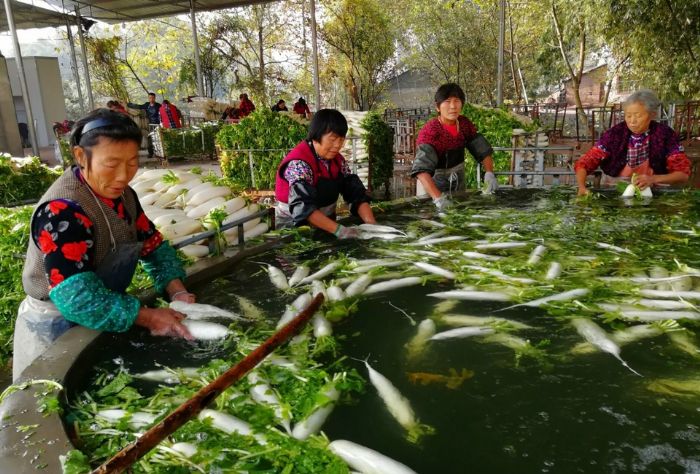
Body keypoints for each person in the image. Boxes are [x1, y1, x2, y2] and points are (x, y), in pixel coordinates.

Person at [12, 109, 195, 381]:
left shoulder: (124, 195)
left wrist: (177, 290)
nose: (124, 175)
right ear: (80, 156)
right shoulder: (63, 210)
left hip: (107, 307)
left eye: (132, 163)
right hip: (56, 325)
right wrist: (149, 317)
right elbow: (77, 300)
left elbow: (153, 247)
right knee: (53, 400)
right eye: (111, 164)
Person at [274, 109, 376, 238]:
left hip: (327, 226)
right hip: (294, 229)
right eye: (332, 139)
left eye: (341, 140)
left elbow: (355, 193)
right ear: (316, 137)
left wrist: (372, 225)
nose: (338, 145)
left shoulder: (338, 161)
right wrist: (341, 231)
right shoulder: (299, 164)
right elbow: (303, 207)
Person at [575, 89, 690, 195]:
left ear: (652, 115)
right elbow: (585, 163)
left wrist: (653, 179)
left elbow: (682, 174)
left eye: (638, 116)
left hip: (655, 192)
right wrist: (581, 187)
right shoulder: (614, 134)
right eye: (628, 116)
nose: (632, 121)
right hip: (615, 191)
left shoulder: (665, 135)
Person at [411, 83, 498, 211]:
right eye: (447, 101)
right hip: (432, 185)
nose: (453, 106)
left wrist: (489, 173)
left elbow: (483, 150)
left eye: (457, 101)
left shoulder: (464, 124)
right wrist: (438, 198)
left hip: (458, 180)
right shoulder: (430, 132)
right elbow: (422, 171)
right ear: (437, 107)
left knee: (459, 214)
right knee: (432, 220)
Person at [127, 92, 161, 158]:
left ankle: (159, 153)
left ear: (155, 98)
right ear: (148, 98)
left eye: (152, 98)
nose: (151, 99)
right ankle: (150, 153)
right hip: (150, 124)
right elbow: (139, 106)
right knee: (150, 138)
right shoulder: (147, 104)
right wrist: (129, 104)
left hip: (158, 124)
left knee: (158, 139)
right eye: (150, 98)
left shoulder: (158, 106)